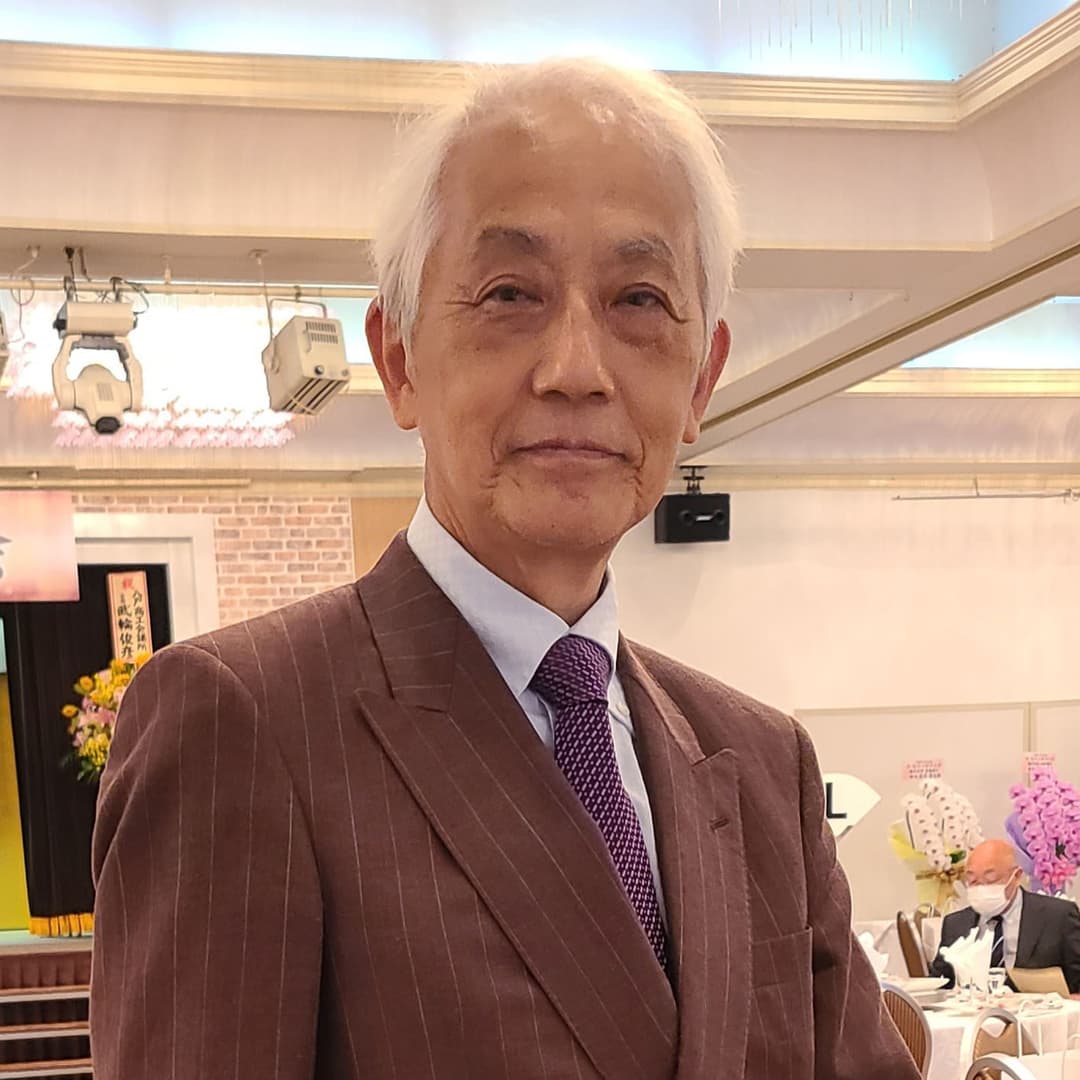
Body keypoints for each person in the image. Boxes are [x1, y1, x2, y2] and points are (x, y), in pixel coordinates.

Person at [89, 58, 920, 1079]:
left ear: (701, 379)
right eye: (510, 293)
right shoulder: (247, 723)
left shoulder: (759, 763)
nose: (576, 368)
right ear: (399, 359)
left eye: (639, 299)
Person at [930, 838, 1080, 992]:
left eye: (990, 879)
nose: (981, 887)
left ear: (1016, 876)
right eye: (973, 881)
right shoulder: (955, 924)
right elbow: (939, 984)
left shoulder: (1058, 917)